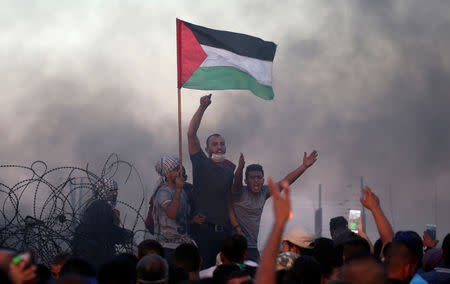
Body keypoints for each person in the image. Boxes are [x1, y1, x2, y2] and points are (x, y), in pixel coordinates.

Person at [230, 150, 318, 262]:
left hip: (252, 246)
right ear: (246, 181)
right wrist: (240, 168)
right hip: (236, 245)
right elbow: (236, 183)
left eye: (259, 177)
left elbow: (285, 181)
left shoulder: (264, 192)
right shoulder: (240, 193)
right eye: (252, 178)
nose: (256, 180)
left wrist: (304, 166)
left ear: (263, 180)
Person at [187, 94, 234, 267]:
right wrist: (202, 108)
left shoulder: (230, 172)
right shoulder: (201, 164)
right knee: (204, 273)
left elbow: (229, 201)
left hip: (225, 234)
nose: (219, 147)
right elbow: (191, 134)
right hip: (204, 231)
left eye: (222, 144)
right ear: (207, 148)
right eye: (214, 144)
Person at [71, 178, 132, 268]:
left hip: (90, 253)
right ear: (102, 191)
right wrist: (124, 234)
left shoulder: (95, 205)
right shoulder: (100, 207)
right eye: (111, 191)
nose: (114, 193)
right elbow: (106, 230)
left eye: (116, 191)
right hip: (95, 256)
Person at [152, 155, 196, 265]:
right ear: (167, 174)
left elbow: (182, 218)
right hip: (168, 247)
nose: (180, 172)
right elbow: (172, 214)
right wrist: (178, 190)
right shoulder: (163, 193)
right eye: (176, 169)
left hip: (183, 245)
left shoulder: (182, 192)